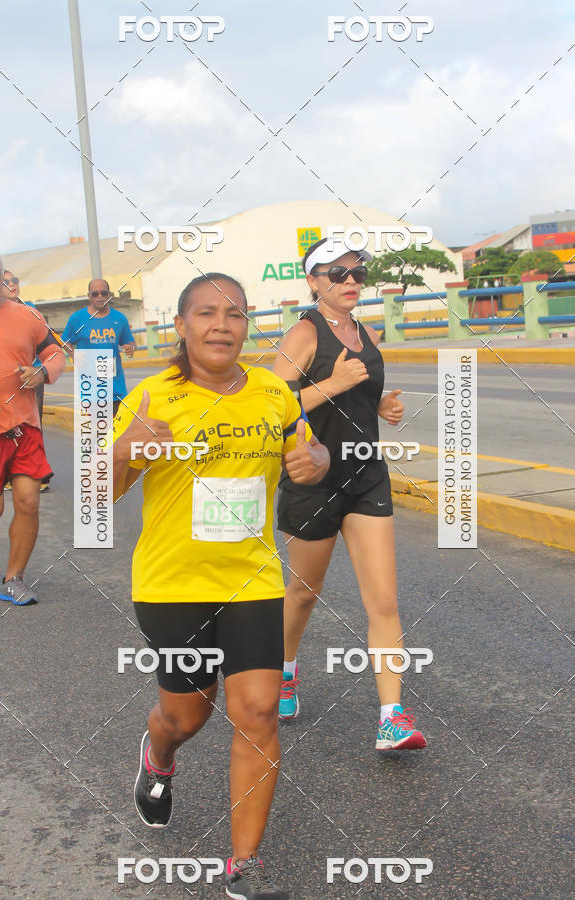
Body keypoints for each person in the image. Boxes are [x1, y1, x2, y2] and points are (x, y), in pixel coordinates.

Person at [112, 273, 329, 899]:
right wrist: (126, 449)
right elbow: (98, 497)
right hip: (172, 583)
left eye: (234, 313)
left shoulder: (272, 393)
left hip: (252, 578)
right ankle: (158, 753)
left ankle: (244, 868)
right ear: (180, 326)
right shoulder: (154, 397)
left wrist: (316, 463)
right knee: (188, 712)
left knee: (259, 711)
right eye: (205, 313)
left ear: (247, 325)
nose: (220, 325)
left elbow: (310, 456)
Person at [272, 237, 427, 751]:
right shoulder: (302, 334)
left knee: (383, 599)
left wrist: (379, 404)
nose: (351, 282)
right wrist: (334, 386)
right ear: (314, 281)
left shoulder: (366, 331)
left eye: (358, 272)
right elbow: (271, 409)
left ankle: (392, 716)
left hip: (366, 476)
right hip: (312, 479)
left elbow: (360, 390)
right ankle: (285, 671)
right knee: (302, 593)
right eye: (337, 273)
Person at [0, 250, 65, 604]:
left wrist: (42, 372)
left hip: (25, 426)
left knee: (28, 501)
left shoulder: (27, 316)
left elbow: (56, 354)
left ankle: (14, 578)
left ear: (4, 278)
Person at [2, 271, 50, 491]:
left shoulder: (30, 308)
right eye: (6, 282)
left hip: (32, 374)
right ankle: (12, 475)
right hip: (5, 378)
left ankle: (39, 476)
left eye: (15, 281)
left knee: (34, 424)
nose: (12, 285)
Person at [62, 278, 136, 415]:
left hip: (116, 390)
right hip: (91, 391)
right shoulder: (77, 318)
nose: (100, 296)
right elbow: (65, 340)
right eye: (95, 294)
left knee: (117, 434)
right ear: (89, 296)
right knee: (96, 434)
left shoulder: (120, 319)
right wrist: (74, 355)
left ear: (109, 295)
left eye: (104, 293)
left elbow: (130, 342)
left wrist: (131, 348)